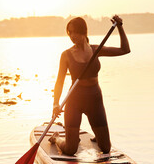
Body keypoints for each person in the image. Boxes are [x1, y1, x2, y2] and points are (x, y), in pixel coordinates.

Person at [50, 15, 130, 156]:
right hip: (74, 101)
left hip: (94, 100)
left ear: (84, 32)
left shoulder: (96, 50)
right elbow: (59, 81)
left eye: (76, 32)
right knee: (70, 149)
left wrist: (120, 27)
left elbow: (125, 49)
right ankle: (57, 138)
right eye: (70, 32)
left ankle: (96, 135)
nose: (72, 36)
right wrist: (55, 103)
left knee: (105, 148)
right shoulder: (66, 55)